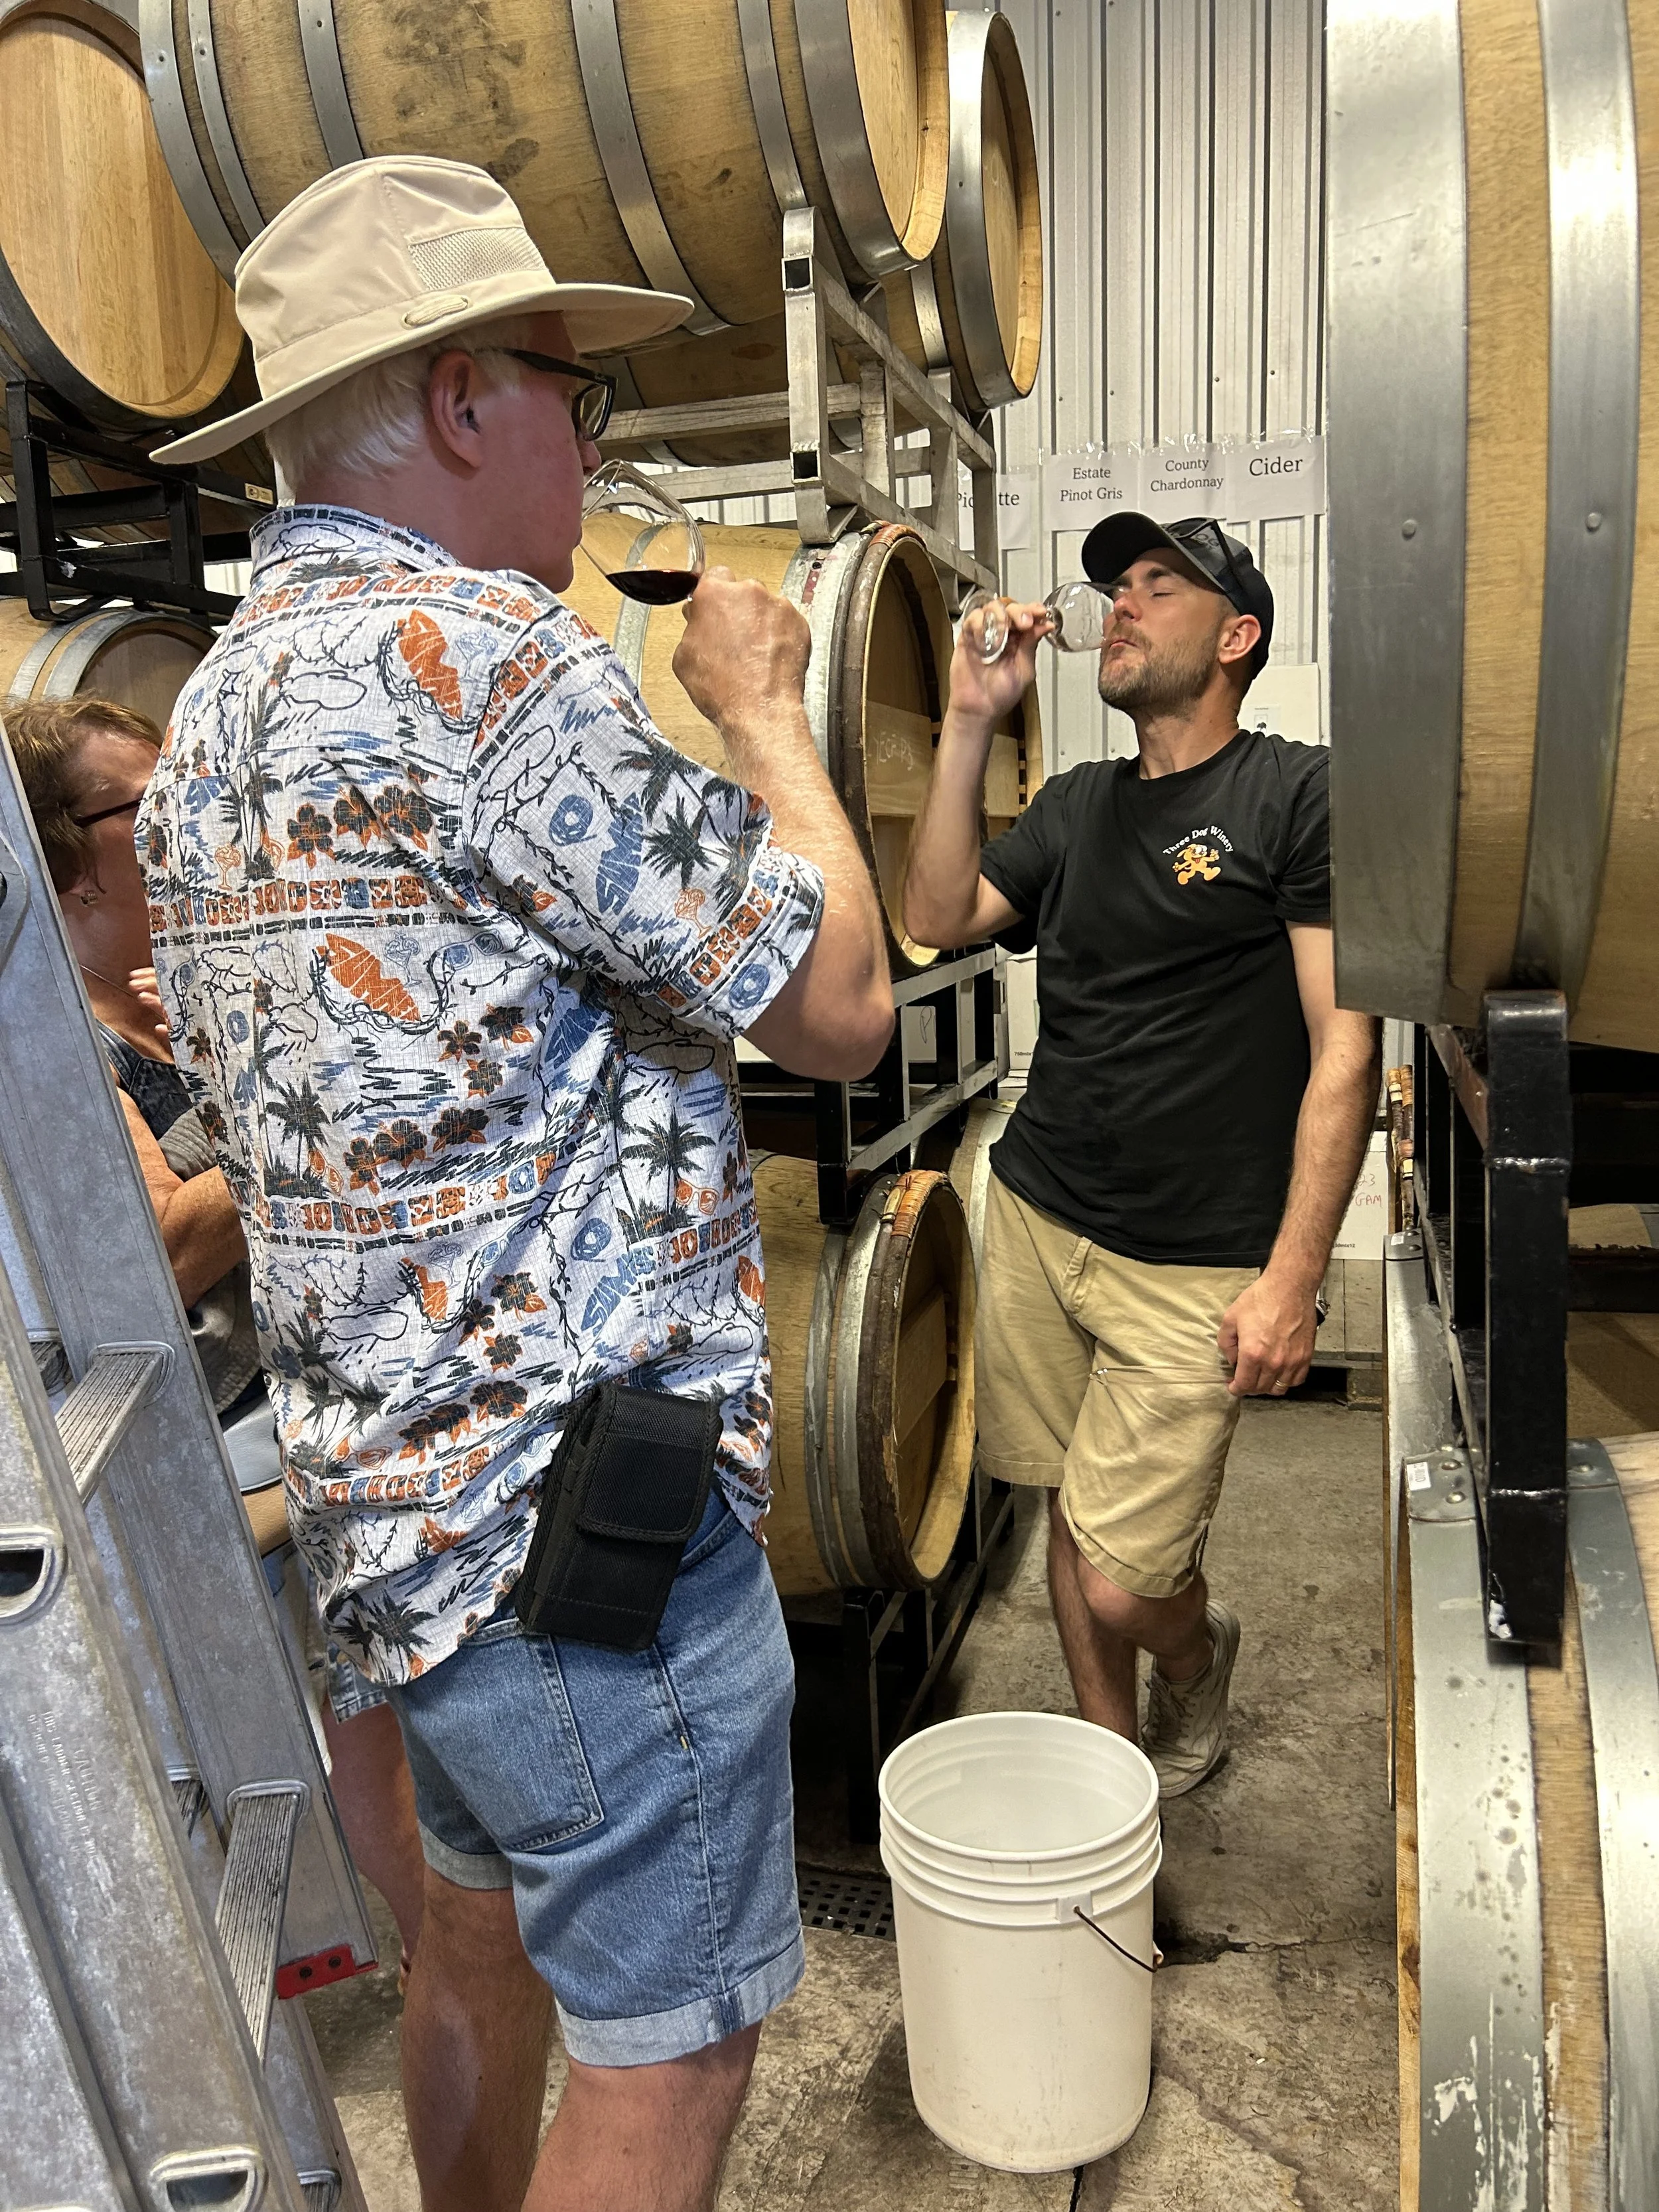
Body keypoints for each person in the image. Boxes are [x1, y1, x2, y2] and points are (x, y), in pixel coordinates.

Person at [141, 156, 893, 2212]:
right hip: (587, 1553)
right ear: (468, 400)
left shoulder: (209, 718)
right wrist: (763, 709)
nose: (589, 441)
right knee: (681, 2044)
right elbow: (837, 1001)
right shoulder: (490, 666)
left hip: (393, 1528)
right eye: (581, 395)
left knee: (474, 1949)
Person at [904, 512, 1380, 1797]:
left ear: (1235, 636)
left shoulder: (1296, 793)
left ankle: (1195, 1648)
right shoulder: (1073, 807)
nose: (1118, 604)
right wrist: (966, 720)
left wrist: (1292, 1276)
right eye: (1116, 583)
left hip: (1197, 1259)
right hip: (1040, 1211)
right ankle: (1108, 1793)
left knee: (1123, 1575)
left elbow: (1344, 1050)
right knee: (1063, 1510)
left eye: (1158, 586)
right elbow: (931, 914)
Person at [6, 695, 427, 1972]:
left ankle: (424, 1937)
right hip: (212, 1437)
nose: (195, 803)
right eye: (153, 795)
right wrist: (278, 1098)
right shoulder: (59, 1034)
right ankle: (400, 1947)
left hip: (299, 1382)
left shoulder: (174, 979)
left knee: (377, 1716)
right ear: (68, 850)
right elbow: (161, 1250)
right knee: (320, 1730)